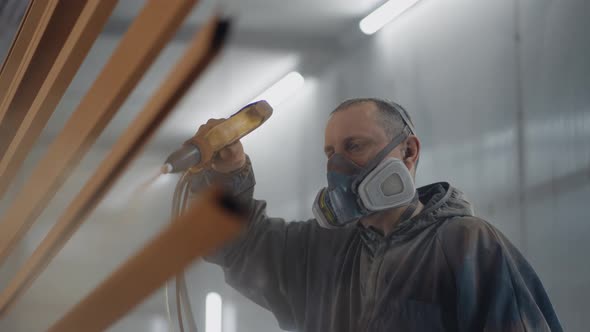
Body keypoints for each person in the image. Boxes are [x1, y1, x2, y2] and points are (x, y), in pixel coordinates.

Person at [193, 98, 563, 331]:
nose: (338, 166)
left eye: (354, 146)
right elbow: (235, 246)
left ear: (408, 152)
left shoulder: (467, 245)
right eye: (329, 152)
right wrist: (230, 174)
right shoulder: (321, 252)